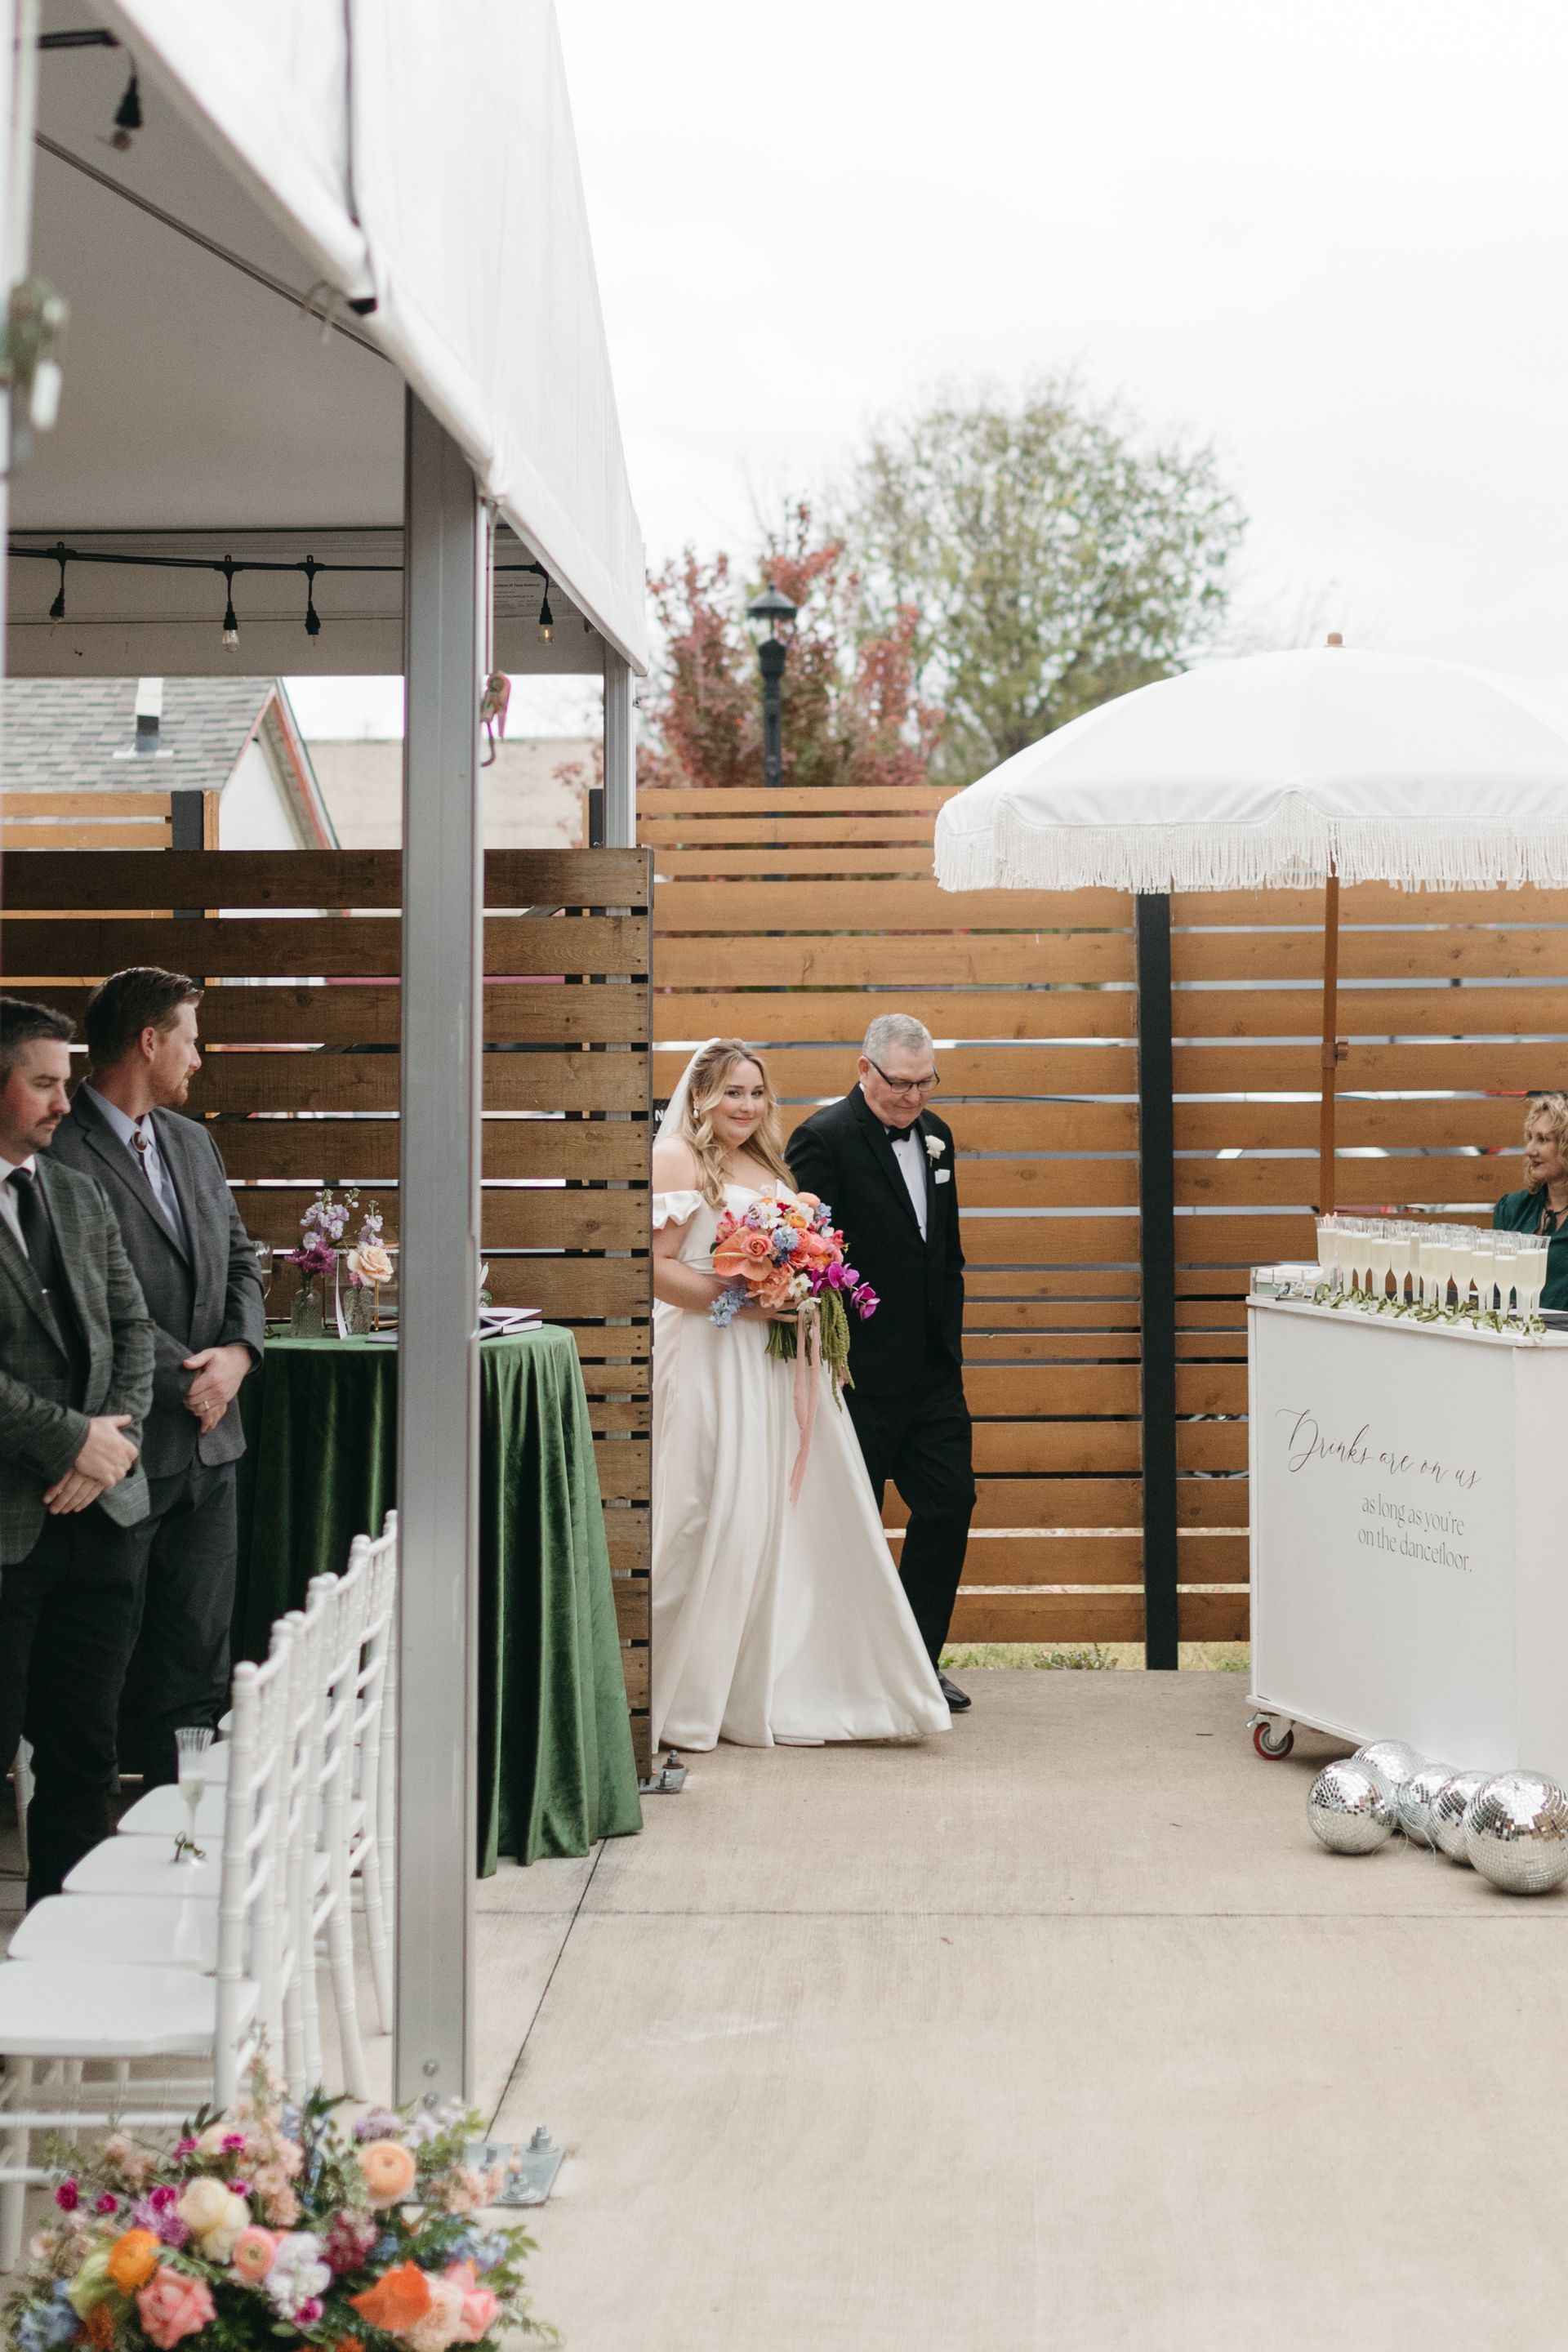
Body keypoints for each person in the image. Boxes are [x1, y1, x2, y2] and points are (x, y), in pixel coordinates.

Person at [651, 1037, 949, 1750]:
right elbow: (655, 1271)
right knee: (709, 1512)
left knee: (773, 1517)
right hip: (709, 1357)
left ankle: (779, 1678)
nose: (745, 1107)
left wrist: (802, 1281)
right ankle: (680, 1687)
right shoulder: (678, 1160)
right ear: (698, 1097)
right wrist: (742, 1303)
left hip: (775, 1363)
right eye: (731, 1093)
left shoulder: (769, 1162)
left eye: (755, 1093)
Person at [51, 967, 265, 1786]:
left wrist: (239, 1357)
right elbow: (94, 1300)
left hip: (213, 1449)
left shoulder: (192, 1141)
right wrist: (189, 1381)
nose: (198, 1060)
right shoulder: (63, 1150)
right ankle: (100, 1849)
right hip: (124, 1451)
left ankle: (184, 1840)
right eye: (191, 1039)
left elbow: (242, 1260)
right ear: (149, 1041)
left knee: (198, 1659)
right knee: (109, 1658)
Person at [0, 996, 155, 1904]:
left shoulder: (75, 1189)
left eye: (66, 1081)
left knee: (84, 1750)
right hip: (11, 1526)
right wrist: (72, 1443)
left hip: (101, 1520)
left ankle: (66, 1945)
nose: (67, 1102)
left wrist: (114, 1443)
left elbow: (134, 1326)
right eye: (44, 1083)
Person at [787, 1013, 976, 1712]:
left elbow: (945, 1250)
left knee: (952, 1503)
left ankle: (916, 1662)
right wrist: (832, 1354)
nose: (913, 1098)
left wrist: (947, 1340)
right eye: (900, 1083)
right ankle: (846, 1669)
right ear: (864, 1069)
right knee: (853, 1522)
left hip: (932, 1368)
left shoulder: (938, 1136)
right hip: (856, 1373)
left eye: (925, 1082)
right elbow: (810, 1258)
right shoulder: (822, 1137)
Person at [1493, 1091, 1568, 1310]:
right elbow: (1497, 1294)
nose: (1529, 1150)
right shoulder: (1512, 1208)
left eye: (1543, 1139)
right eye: (1530, 1138)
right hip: (1512, 1335)